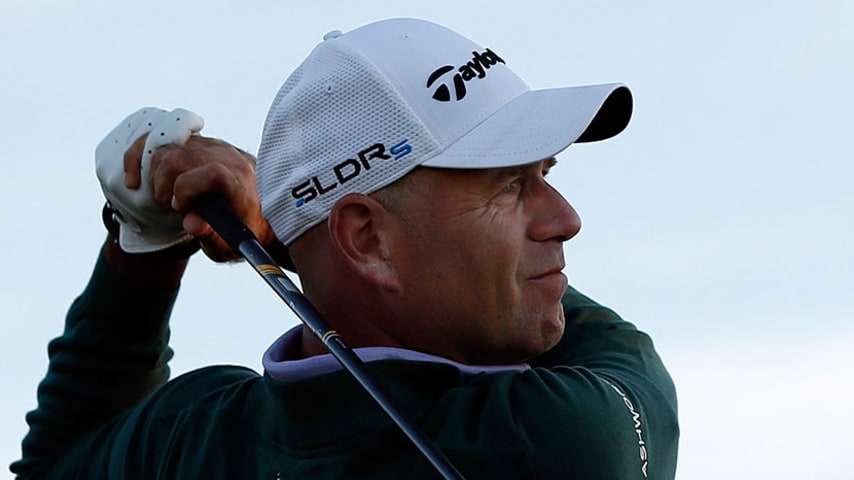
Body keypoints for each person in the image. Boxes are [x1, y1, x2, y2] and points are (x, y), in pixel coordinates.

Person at [12, 18, 679, 479]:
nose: (564, 220)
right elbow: (620, 351)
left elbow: (56, 464)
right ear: (366, 238)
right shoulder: (558, 437)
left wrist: (147, 246)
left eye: (546, 175)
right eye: (509, 187)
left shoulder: (199, 437)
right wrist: (283, 234)